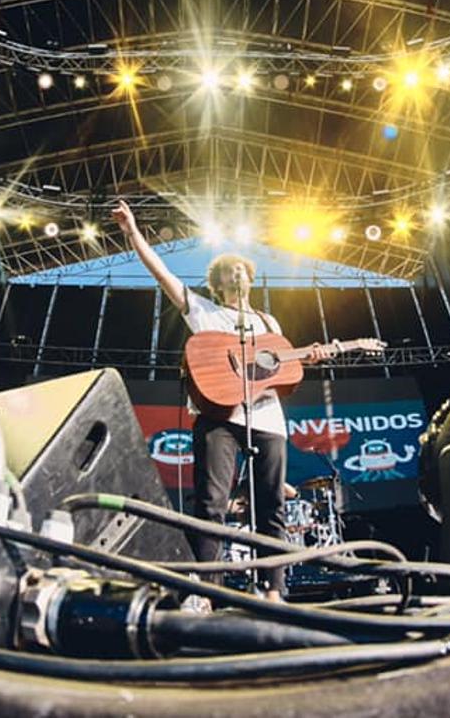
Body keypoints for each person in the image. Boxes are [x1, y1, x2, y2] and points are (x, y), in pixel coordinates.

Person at [112, 200, 321, 600]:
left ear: (250, 277)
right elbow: (162, 272)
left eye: (242, 267)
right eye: (228, 269)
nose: (236, 271)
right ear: (217, 281)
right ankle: (206, 594)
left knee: (271, 506)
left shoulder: (268, 323)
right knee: (211, 504)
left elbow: (279, 370)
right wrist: (133, 232)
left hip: (268, 422)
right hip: (218, 417)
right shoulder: (204, 312)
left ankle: (273, 592)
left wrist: (308, 355)